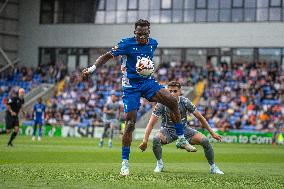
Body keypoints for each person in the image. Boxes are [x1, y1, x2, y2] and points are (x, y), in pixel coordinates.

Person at [82, 19, 195, 176]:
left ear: (149, 32)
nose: (142, 36)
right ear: (135, 32)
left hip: (147, 82)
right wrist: (92, 69)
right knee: (130, 123)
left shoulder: (153, 43)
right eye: (139, 33)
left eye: (145, 33)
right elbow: (107, 56)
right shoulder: (126, 44)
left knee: (172, 101)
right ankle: (125, 164)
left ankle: (181, 138)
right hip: (131, 87)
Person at [139, 81, 224, 174]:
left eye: (175, 91)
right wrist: (145, 141)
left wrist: (212, 133)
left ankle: (213, 167)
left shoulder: (185, 101)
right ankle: (160, 164)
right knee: (156, 139)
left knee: (205, 141)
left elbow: (200, 117)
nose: (172, 93)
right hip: (168, 131)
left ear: (180, 92)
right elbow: (151, 124)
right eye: (170, 91)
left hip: (184, 130)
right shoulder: (161, 104)